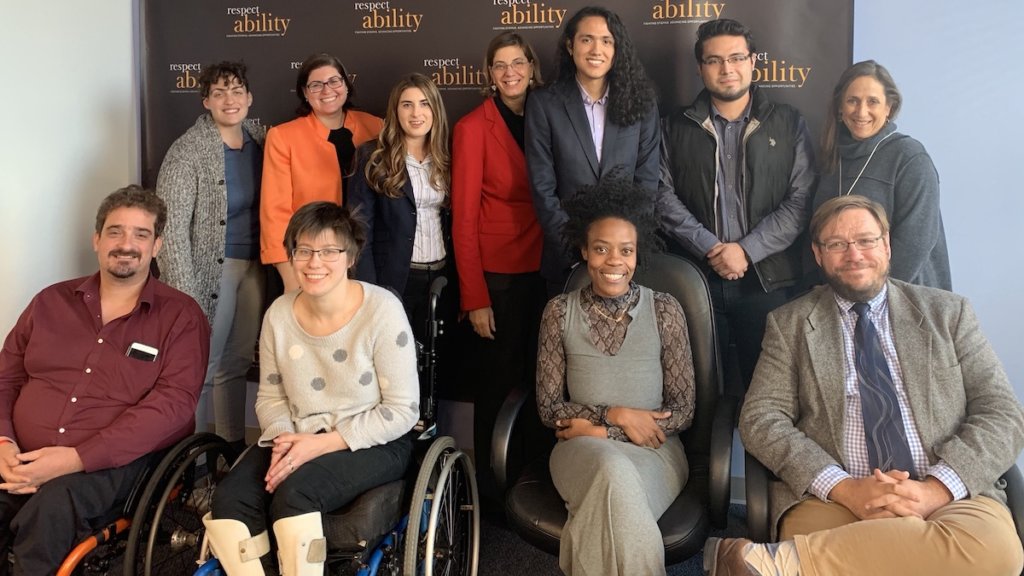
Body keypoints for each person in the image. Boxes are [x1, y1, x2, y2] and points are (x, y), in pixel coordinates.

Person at [706, 195, 1024, 576]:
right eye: (837, 244)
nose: (854, 254)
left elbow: (1002, 412)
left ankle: (775, 563)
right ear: (818, 255)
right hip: (833, 499)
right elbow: (760, 417)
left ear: (886, 246)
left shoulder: (949, 313)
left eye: (866, 240)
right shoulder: (789, 324)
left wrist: (935, 490)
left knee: (997, 553)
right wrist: (842, 487)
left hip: (949, 495)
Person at [0, 186, 209, 575]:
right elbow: (6, 378)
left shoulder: (181, 316)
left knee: (51, 509)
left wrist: (76, 459)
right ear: (97, 239)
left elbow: (173, 405)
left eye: (140, 234)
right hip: (19, 453)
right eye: (115, 231)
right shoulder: (49, 302)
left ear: (157, 245)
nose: (126, 244)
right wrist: (4, 441)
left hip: (114, 463)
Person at [205, 201, 418, 576]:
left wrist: (321, 444)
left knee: (295, 494)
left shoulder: (381, 311)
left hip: (375, 439)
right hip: (298, 432)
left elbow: (401, 411)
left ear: (350, 256)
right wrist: (285, 439)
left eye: (328, 251)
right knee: (230, 500)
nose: (313, 262)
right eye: (303, 250)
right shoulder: (279, 314)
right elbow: (271, 396)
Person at [536, 176, 695, 575]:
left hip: (656, 452)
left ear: (637, 255)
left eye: (626, 251)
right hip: (580, 451)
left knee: (612, 502)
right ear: (585, 252)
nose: (614, 262)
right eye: (602, 249)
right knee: (611, 473)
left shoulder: (666, 309)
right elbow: (550, 409)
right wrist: (616, 415)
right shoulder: (558, 312)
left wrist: (603, 433)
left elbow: (682, 411)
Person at [659, 18, 816, 399]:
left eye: (735, 58)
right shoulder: (673, 127)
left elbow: (800, 202)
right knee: (693, 396)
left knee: (770, 400)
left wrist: (745, 251)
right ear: (700, 68)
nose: (726, 69)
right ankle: (698, 463)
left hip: (767, 282)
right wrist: (713, 249)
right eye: (714, 60)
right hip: (695, 280)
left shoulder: (789, 122)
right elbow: (660, 197)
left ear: (752, 61)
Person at [451, 31, 547, 502]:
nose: (510, 72)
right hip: (499, 277)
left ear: (531, 66)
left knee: (541, 378)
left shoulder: (550, 115)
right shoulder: (472, 128)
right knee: (498, 384)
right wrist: (475, 298)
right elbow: (463, 219)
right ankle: (489, 492)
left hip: (547, 268)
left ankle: (531, 479)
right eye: (499, 65)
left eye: (517, 62)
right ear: (489, 74)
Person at [157, 60, 266, 454]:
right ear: (206, 101)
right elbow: (169, 231)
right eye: (219, 93)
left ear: (250, 98)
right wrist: (185, 294)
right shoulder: (187, 151)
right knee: (201, 369)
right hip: (208, 273)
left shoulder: (260, 139)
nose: (229, 99)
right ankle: (192, 463)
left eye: (236, 91)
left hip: (254, 269)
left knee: (236, 364)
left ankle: (230, 452)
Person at [526, 6, 663, 295]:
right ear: (570, 45)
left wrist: (620, 248)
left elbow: (647, 182)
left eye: (606, 40)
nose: (596, 49)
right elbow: (543, 188)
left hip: (623, 262)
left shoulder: (642, 103)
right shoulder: (544, 104)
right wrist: (581, 246)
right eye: (587, 39)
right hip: (567, 260)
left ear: (617, 49)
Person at [812, 59, 950, 290]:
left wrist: (873, 298)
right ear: (839, 108)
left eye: (873, 102)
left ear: (889, 108)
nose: (861, 111)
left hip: (901, 295)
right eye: (852, 101)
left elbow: (915, 242)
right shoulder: (832, 157)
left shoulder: (909, 157)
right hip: (844, 294)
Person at [261, 53, 383, 292]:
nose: (327, 90)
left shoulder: (376, 127)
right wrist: (290, 275)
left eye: (334, 81)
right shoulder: (283, 137)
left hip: (368, 256)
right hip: (313, 260)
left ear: (346, 86)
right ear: (305, 93)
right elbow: (274, 213)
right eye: (316, 85)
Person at [349, 73, 452, 341]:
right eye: (407, 104)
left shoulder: (448, 157)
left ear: (435, 110)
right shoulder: (372, 157)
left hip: (441, 278)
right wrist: (369, 291)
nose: (416, 113)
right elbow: (360, 231)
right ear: (396, 111)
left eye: (424, 103)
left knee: (439, 366)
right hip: (395, 279)